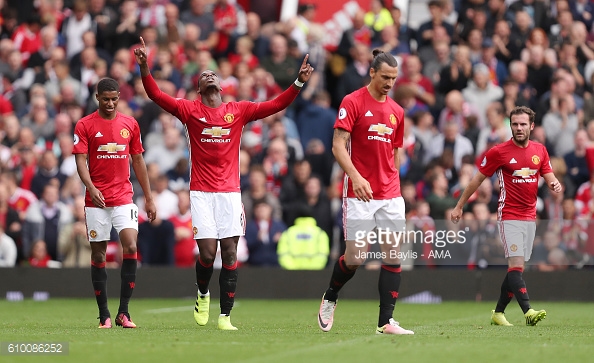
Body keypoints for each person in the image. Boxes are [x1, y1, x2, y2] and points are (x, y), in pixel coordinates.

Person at [134, 36, 313, 330]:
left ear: (220, 84)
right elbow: (155, 95)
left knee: (229, 251)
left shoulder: (238, 110)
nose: (209, 75)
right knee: (207, 253)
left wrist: (298, 83)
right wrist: (144, 68)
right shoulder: (189, 110)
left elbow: (276, 104)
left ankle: (225, 316)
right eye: (204, 75)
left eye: (213, 73)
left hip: (230, 192)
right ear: (199, 89)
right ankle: (202, 293)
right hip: (201, 193)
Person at [317, 50, 414, 335]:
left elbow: (396, 152)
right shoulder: (353, 101)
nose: (389, 83)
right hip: (359, 193)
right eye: (385, 77)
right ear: (372, 73)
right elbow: (338, 146)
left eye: (393, 78)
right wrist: (356, 177)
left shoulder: (397, 111)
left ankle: (386, 321)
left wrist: (395, 178)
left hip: (390, 194)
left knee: (393, 254)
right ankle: (331, 296)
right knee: (355, 258)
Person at [451, 106, 562, 327]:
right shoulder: (499, 152)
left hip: (530, 216)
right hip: (509, 215)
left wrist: (554, 183)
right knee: (516, 264)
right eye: (514, 124)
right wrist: (459, 206)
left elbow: (548, 175)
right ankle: (528, 311)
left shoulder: (540, 150)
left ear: (531, 126)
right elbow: (476, 180)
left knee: (517, 268)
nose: (518, 128)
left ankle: (498, 312)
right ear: (510, 125)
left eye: (523, 124)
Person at [73, 77, 157, 329]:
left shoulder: (129, 124)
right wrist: (91, 187)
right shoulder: (84, 125)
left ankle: (124, 312)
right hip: (96, 200)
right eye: (105, 99)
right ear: (97, 98)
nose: (110, 103)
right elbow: (80, 160)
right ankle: (104, 315)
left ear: (119, 97)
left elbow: (138, 161)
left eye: (114, 99)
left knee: (130, 246)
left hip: (123, 197)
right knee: (98, 253)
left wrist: (149, 198)